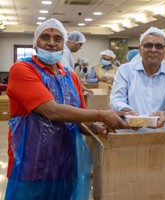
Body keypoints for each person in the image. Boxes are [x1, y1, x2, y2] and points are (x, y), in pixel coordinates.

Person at [5, 18, 128, 200]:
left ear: (64, 44)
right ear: (35, 43)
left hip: (65, 164)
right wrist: (102, 115)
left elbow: (78, 122)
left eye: (58, 39)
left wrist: (95, 127)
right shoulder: (22, 70)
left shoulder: (71, 77)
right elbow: (51, 111)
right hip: (31, 165)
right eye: (45, 37)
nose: (51, 43)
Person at [110, 26, 165, 132]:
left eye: (159, 46)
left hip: (161, 135)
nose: (153, 50)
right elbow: (117, 98)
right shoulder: (125, 71)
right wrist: (128, 113)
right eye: (148, 45)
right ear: (140, 49)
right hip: (128, 135)